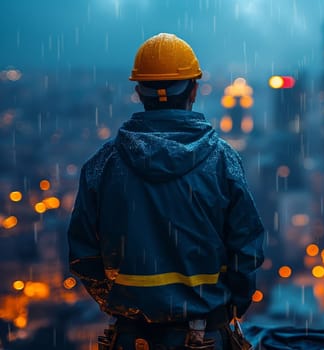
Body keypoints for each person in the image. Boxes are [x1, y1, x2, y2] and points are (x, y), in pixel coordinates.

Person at [67, 33, 265, 350]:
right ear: (194, 90)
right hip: (204, 334)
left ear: (138, 91)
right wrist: (227, 304)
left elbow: (83, 253)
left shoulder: (104, 164)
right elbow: (247, 248)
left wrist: (118, 301)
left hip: (132, 337)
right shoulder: (222, 160)